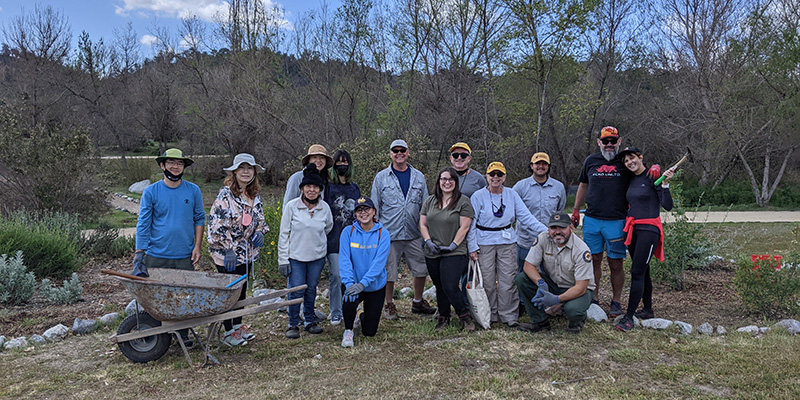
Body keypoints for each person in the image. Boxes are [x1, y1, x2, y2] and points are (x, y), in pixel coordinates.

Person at [133, 148, 205, 345]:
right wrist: (140, 252)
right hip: (157, 254)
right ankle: (160, 334)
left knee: (182, 296)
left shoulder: (193, 190)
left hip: (183, 254)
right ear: (163, 165)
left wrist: (197, 246)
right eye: (171, 163)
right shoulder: (152, 192)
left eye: (179, 163)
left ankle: (182, 334)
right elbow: (144, 222)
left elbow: (199, 218)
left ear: (184, 167)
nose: (175, 166)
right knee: (158, 298)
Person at [466, 162, 548, 327]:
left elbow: (526, 217)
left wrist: (547, 231)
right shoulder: (478, 196)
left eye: (499, 174)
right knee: (487, 281)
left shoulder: (511, 194)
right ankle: (489, 314)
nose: (495, 178)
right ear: (486, 176)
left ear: (504, 177)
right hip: (484, 242)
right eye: (492, 174)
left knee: (508, 280)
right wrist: (472, 246)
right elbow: (471, 223)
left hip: (507, 241)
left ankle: (509, 315)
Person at [207, 153, 269, 347]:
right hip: (227, 255)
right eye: (241, 168)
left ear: (254, 172)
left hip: (246, 253)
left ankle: (238, 326)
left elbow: (259, 220)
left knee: (241, 292)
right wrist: (227, 249)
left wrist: (260, 232)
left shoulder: (253, 196)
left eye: (249, 168)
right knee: (229, 294)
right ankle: (228, 332)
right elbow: (216, 226)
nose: (245, 172)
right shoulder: (225, 195)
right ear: (234, 172)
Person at [371, 139, 436, 319]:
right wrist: (375, 233)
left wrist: (427, 232)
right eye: (395, 150)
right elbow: (375, 207)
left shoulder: (418, 177)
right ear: (390, 153)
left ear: (408, 153)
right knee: (389, 271)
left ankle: (417, 302)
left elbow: (426, 206)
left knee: (421, 268)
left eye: (402, 150)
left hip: (414, 233)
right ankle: (389, 304)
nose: (399, 153)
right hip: (389, 234)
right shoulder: (381, 178)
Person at [571, 126, 631, 318]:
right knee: (593, 260)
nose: (609, 145)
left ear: (619, 141)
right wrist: (575, 209)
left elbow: (639, 177)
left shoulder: (625, 162)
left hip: (617, 220)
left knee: (616, 262)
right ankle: (593, 298)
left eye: (613, 141)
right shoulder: (591, 161)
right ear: (599, 142)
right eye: (605, 141)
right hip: (592, 220)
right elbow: (583, 184)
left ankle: (616, 301)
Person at [615, 147, 674, 332]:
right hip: (633, 230)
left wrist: (665, 184)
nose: (629, 162)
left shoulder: (654, 176)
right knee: (644, 271)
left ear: (641, 157)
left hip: (649, 230)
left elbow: (667, 206)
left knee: (637, 272)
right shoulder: (632, 179)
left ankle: (628, 317)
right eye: (626, 161)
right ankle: (648, 310)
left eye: (632, 158)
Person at [515, 212, 595, 334]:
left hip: (577, 289)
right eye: (553, 228)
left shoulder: (582, 250)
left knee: (573, 309)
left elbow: (581, 287)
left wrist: (556, 300)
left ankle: (576, 323)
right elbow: (528, 265)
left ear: (571, 228)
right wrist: (540, 282)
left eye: (562, 227)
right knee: (522, 279)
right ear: (548, 229)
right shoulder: (543, 238)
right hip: (554, 284)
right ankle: (540, 321)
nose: (557, 232)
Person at [278, 165, 333, 339]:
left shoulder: (324, 208)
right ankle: (293, 323)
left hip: (316, 258)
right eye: (308, 186)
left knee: (311, 290)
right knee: (296, 290)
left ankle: (310, 320)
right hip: (295, 257)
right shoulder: (292, 207)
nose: (311, 190)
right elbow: (283, 234)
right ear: (302, 188)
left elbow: (328, 228)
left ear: (320, 190)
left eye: (315, 187)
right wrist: (283, 260)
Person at [420, 167, 476, 332]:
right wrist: (428, 242)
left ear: (455, 183)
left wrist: (453, 245)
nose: (447, 182)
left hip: (454, 251)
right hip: (433, 251)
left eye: (451, 179)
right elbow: (423, 224)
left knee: (450, 285)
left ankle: (464, 316)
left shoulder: (463, 201)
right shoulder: (430, 201)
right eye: (443, 179)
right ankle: (443, 317)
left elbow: (464, 227)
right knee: (439, 285)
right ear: (438, 182)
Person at [338, 197, 390, 347]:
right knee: (349, 300)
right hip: (353, 283)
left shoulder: (383, 234)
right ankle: (348, 330)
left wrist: (363, 283)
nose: (363, 213)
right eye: (359, 210)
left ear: (374, 211)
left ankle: (360, 314)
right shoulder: (348, 232)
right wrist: (349, 284)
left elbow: (378, 264)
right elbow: (344, 260)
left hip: (374, 286)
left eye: (367, 209)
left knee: (369, 332)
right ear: (355, 214)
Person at [324, 150, 361, 326]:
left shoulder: (354, 188)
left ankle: (351, 311)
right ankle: (336, 312)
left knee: (351, 277)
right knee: (337, 276)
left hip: (353, 239)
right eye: (338, 162)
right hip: (333, 239)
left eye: (345, 162)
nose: (342, 165)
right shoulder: (328, 187)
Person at [512, 152, 567, 271]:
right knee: (523, 274)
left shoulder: (559, 187)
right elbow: (512, 212)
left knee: (550, 275)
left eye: (544, 164)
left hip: (550, 240)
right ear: (531, 166)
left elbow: (559, 211)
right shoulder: (520, 187)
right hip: (525, 242)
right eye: (537, 163)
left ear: (548, 166)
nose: (541, 166)